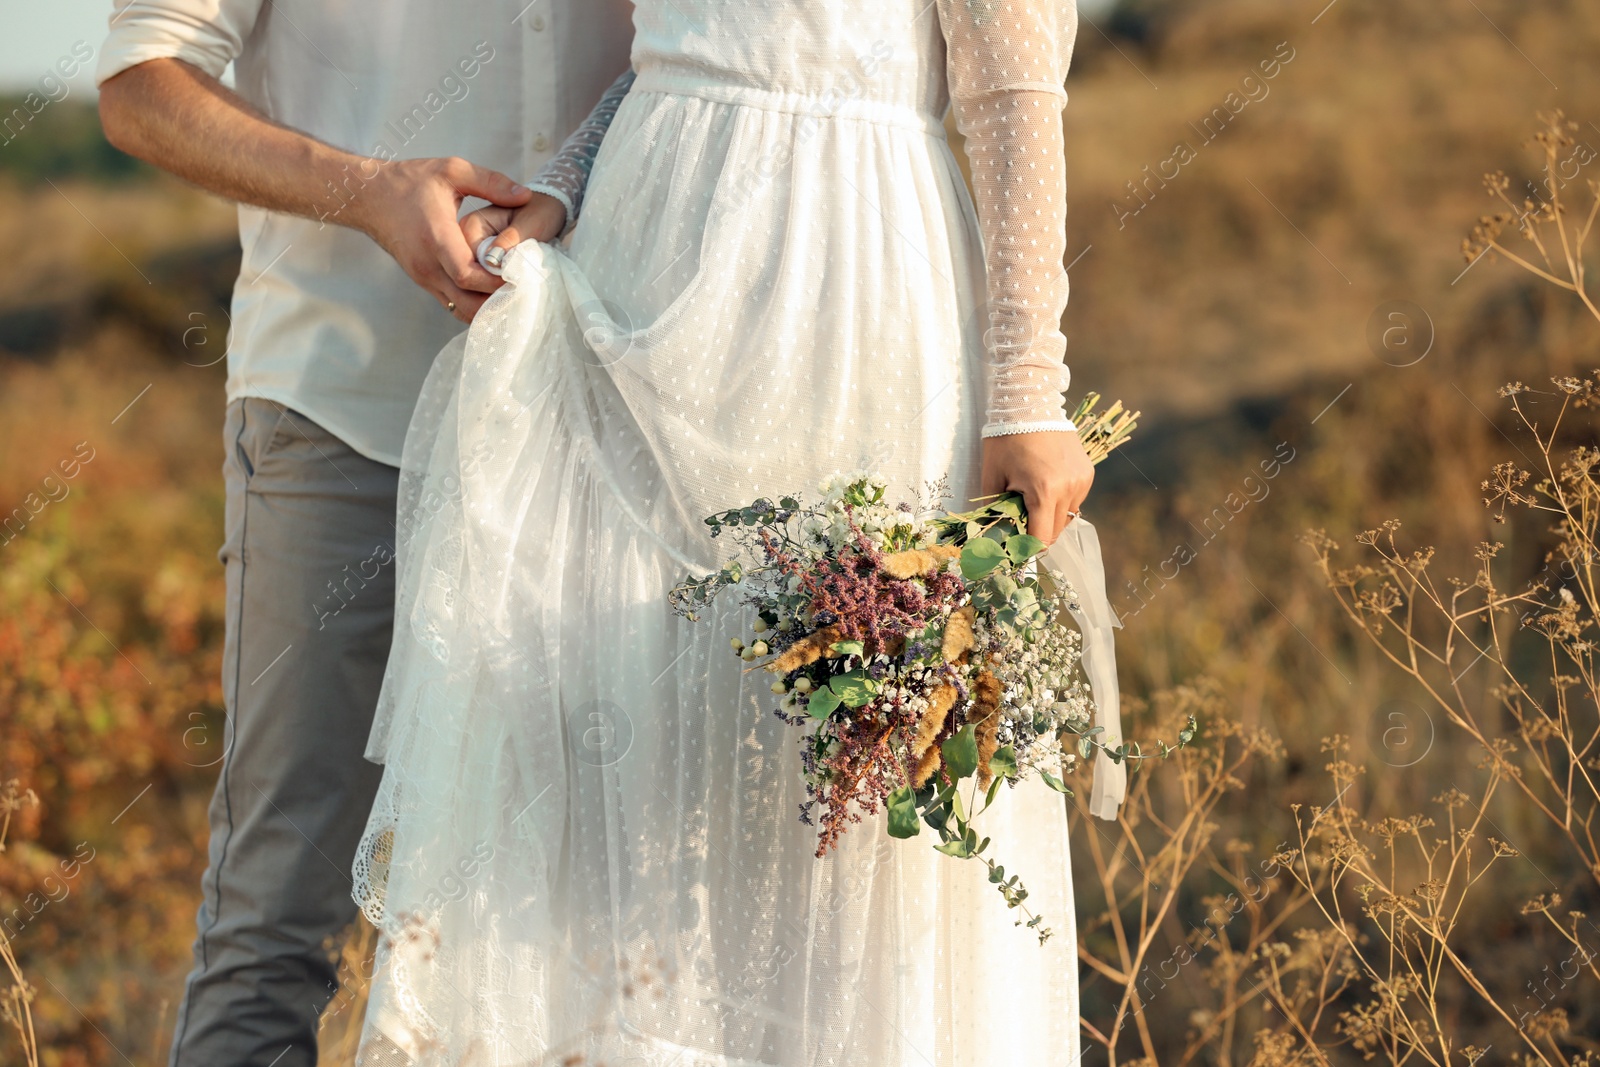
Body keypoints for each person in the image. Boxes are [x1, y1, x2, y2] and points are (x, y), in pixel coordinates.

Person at [352, 0, 1100, 1063]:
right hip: (642, 281)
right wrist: (565, 183)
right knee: (623, 733)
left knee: (834, 779)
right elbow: (673, 53)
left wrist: (1029, 385)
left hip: (855, 290)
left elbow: (1015, 87)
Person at [94, 4, 632, 1064]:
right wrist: (371, 190)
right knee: (275, 919)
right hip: (340, 416)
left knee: (598, 936)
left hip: (605, 426)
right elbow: (138, 84)